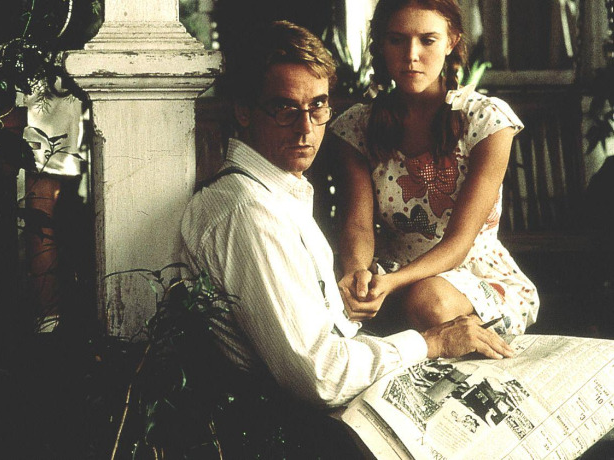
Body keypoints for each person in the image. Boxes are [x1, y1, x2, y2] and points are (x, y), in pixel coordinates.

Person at [181, 18, 513, 417]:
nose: (305, 129)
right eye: (284, 109)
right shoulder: (249, 213)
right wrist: (431, 343)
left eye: (317, 106)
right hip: (287, 420)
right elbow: (322, 377)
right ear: (244, 111)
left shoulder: (278, 193)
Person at [330, 0, 539, 335]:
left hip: (467, 273)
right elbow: (358, 225)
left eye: (428, 40)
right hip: (390, 270)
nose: (411, 55)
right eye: (397, 40)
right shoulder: (356, 126)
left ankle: (472, 325)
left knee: (427, 302)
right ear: (381, 43)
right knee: (334, 301)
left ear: (451, 41)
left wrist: (393, 283)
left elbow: (459, 242)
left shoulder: (486, 121)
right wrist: (358, 274)